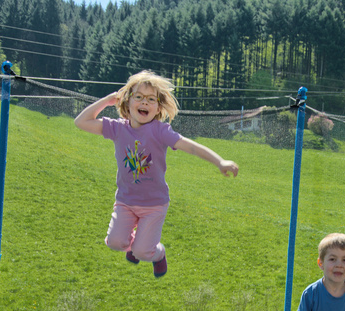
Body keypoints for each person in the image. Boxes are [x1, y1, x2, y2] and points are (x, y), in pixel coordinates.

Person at [74, 70, 239, 277]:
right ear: (127, 101)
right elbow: (81, 122)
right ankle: (136, 246)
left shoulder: (160, 131)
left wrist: (220, 161)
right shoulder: (117, 128)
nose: (145, 102)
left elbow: (191, 147)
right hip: (125, 201)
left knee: (144, 252)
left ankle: (158, 254)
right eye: (139, 97)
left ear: (158, 107)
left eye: (151, 99)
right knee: (115, 242)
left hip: (154, 205)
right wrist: (107, 101)